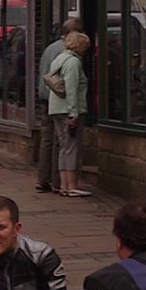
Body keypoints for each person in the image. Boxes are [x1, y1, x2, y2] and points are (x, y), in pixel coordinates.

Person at [41, 28, 89, 197]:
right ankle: (72, 185)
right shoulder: (73, 62)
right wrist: (73, 113)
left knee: (63, 148)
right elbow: (71, 89)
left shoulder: (59, 59)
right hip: (67, 110)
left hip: (55, 109)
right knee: (71, 148)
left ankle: (63, 185)